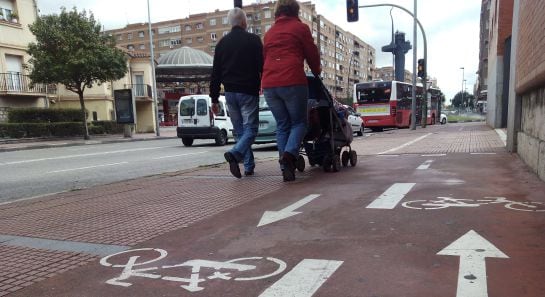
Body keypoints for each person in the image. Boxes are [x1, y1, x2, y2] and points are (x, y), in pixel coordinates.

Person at [261, 0, 321, 182]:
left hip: (270, 84)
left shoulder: (269, 33)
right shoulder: (300, 28)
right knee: (299, 123)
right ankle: (289, 155)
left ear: (278, 11)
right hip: (293, 80)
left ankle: (284, 165)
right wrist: (316, 71)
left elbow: (265, 58)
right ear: (295, 10)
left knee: (282, 125)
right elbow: (311, 53)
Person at [210, 7, 263, 179]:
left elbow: (216, 74)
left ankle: (248, 166)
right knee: (251, 130)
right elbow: (262, 66)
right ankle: (235, 153)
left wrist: (214, 99)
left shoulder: (221, 44)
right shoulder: (253, 40)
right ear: (243, 22)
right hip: (248, 92)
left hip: (230, 94)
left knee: (240, 131)